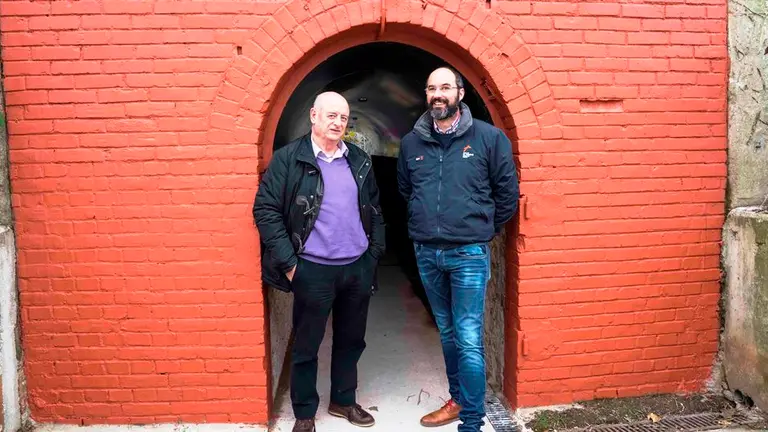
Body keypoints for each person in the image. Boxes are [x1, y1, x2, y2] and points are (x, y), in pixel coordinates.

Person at [253, 91, 385, 432]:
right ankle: (304, 413)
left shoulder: (358, 159)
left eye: (343, 117)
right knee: (306, 345)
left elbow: (374, 209)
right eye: (331, 115)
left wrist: (373, 255)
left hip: (356, 267)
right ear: (313, 116)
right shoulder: (289, 159)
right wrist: (290, 265)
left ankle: (343, 400)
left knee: (351, 341)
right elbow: (265, 211)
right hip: (311, 269)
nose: (337, 122)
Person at [397, 67, 519, 431]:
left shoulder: (489, 138)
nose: (438, 94)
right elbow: (407, 190)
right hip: (427, 252)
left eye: (446, 87)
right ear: (426, 94)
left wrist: (480, 230)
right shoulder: (411, 143)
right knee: (448, 332)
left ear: (460, 93)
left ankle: (471, 422)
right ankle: (458, 400)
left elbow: (507, 195)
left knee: (467, 336)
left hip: (468, 253)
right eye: (432, 88)